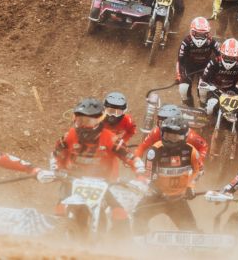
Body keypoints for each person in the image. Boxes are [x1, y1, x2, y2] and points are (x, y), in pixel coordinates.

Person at [48, 98, 144, 234]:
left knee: (119, 213)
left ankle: (122, 242)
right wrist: (55, 170)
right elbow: (55, 154)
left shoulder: (110, 138)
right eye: (80, 120)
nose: (83, 125)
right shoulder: (70, 135)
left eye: (88, 121)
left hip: (103, 183)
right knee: (61, 208)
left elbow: (131, 157)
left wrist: (140, 175)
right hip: (73, 180)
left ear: (99, 121)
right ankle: (54, 237)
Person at [132, 116, 201, 235]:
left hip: (178, 199)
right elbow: (148, 175)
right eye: (168, 136)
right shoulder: (154, 151)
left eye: (176, 137)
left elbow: (197, 171)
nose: (171, 140)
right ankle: (141, 240)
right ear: (162, 134)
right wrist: (156, 190)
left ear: (185, 136)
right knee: (138, 216)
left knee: (191, 230)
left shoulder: (192, 151)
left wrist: (190, 187)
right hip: (156, 198)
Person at [200, 39, 238, 131]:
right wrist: (207, 87)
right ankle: (205, 117)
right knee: (210, 107)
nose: (229, 60)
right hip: (215, 88)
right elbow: (204, 77)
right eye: (227, 57)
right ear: (222, 54)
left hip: (232, 88)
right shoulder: (214, 62)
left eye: (232, 58)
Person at [134, 105, 208, 169]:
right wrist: (137, 160)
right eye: (160, 122)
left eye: (166, 122)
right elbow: (142, 147)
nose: (162, 127)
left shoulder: (187, 134)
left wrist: (199, 160)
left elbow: (203, 145)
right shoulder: (156, 132)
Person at [176, 17, 220, 107]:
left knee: (203, 90)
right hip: (189, 66)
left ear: (207, 33)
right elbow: (180, 60)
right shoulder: (186, 42)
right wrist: (179, 75)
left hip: (205, 67)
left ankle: (203, 107)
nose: (200, 37)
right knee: (183, 88)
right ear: (192, 32)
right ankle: (189, 106)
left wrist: (216, 72)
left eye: (203, 34)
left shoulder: (212, 42)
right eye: (198, 34)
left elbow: (220, 57)